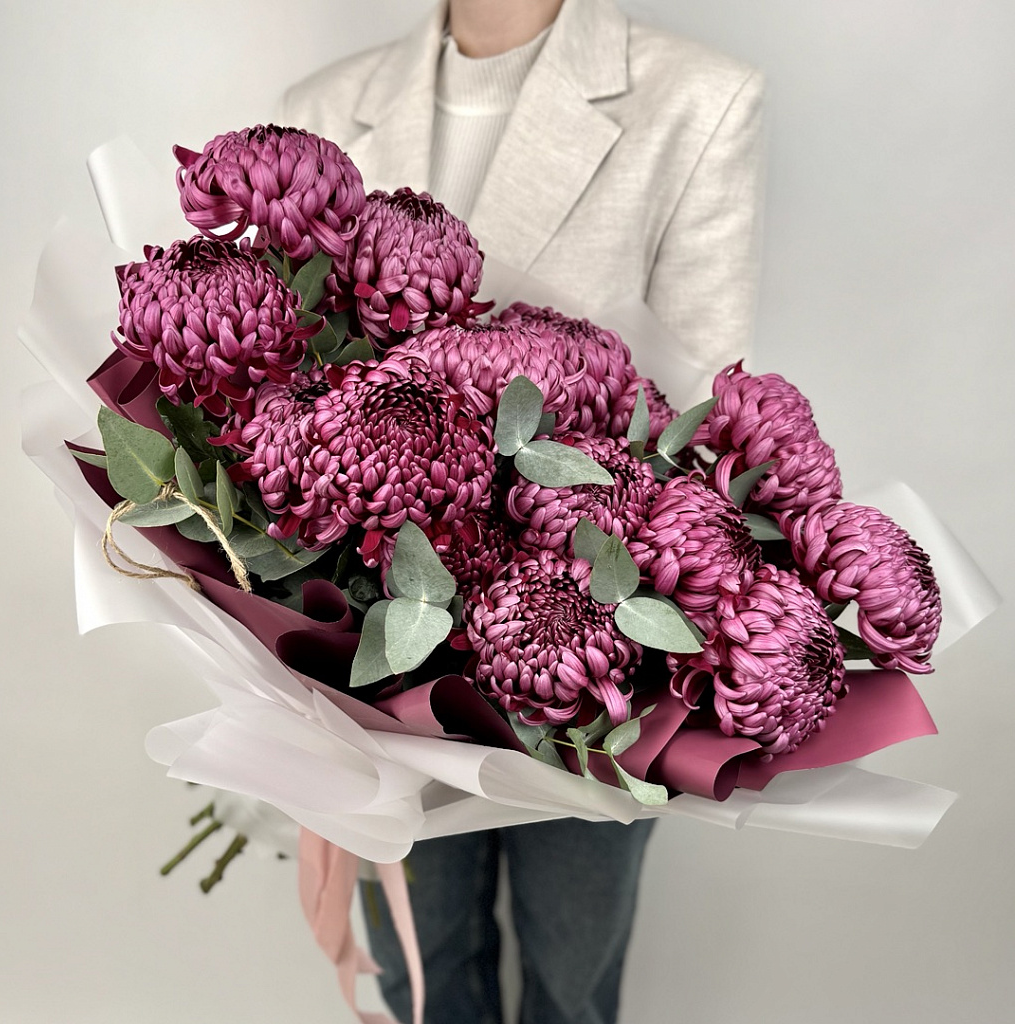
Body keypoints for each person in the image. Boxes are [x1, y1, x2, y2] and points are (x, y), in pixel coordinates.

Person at [283, 1, 764, 1021]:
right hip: (379, 641)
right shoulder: (321, 114)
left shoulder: (700, 100)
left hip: (591, 654)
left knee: (570, 978)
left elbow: (698, 421)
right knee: (421, 975)